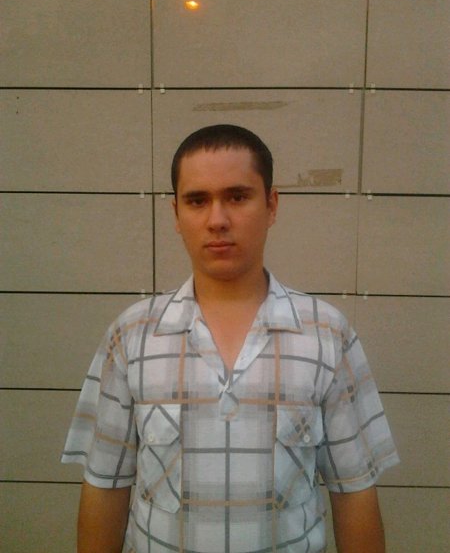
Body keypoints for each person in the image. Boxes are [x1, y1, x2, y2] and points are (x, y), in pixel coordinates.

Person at [62, 124, 399, 553]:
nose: (217, 220)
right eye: (197, 200)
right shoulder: (132, 336)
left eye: (237, 197)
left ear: (271, 205)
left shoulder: (328, 335)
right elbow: (105, 485)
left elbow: (354, 492)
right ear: (176, 214)